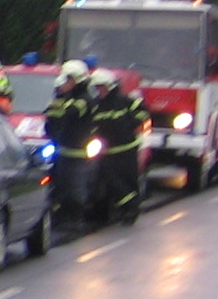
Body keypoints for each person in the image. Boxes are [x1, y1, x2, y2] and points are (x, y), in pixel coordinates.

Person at [88, 67, 148, 224]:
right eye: (97, 87)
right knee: (112, 182)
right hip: (107, 152)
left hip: (127, 149)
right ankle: (122, 210)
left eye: (101, 87)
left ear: (110, 86)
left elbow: (142, 113)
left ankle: (131, 211)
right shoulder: (96, 105)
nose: (99, 90)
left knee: (128, 181)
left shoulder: (125, 101)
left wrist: (129, 125)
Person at [46, 60, 96, 222]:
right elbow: (51, 122)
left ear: (76, 80)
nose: (64, 83)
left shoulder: (84, 100)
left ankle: (76, 219)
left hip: (79, 154)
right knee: (60, 186)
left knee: (76, 187)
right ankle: (62, 215)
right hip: (62, 152)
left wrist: (56, 106)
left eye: (67, 79)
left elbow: (70, 114)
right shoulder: (64, 99)